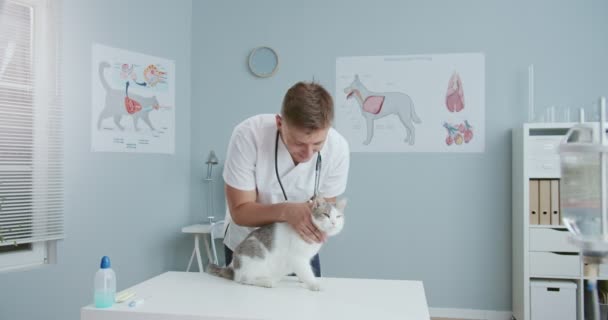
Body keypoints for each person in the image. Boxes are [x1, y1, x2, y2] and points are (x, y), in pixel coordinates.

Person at [221, 81, 350, 277]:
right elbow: (240, 212)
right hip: (250, 245)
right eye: (299, 143)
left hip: (301, 245)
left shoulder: (338, 148)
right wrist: (288, 211)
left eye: (317, 144)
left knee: (308, 305)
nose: (307, 153)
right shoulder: (248, 135)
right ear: (280, 123)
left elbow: (327, 207)